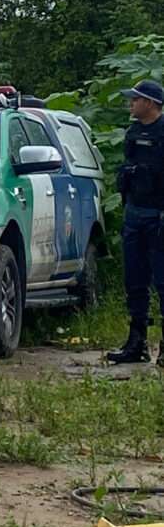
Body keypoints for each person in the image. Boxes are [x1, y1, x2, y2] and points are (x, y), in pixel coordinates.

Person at [107, 80, 164, 365]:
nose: (131, 103)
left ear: (151, 103)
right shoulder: (133, 131)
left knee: (163, 283)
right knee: (135, 282)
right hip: (135, 214)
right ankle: (136, 343)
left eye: (136, 99)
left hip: (158, 216)